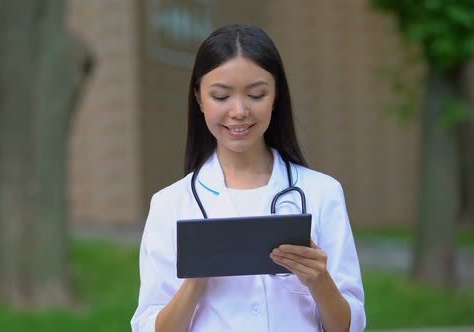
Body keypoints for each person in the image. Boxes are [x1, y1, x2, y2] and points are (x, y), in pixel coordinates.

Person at [131, 24, 365, 331]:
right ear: (199, 99)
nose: (239, 111)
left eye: (256, 94)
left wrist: (318, 280)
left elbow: (349, 326)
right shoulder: (170, 204)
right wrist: (195, 281)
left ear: (276, 95)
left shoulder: (322, 193)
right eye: (221, 96)